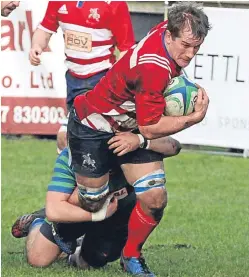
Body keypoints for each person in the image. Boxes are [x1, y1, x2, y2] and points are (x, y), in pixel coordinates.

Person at [67, 2, 211, 276]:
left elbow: (143, 131)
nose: (190, 54)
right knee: (93, 200)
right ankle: (50, 216)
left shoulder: (169, 29)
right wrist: (192, 118)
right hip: (93, 124)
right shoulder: (153, 67)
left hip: (129, 127)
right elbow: (150, 128)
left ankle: (131, 255)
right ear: (169, 35)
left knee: (155, 196)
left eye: (196, 47)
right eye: (186, 46)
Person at [11, 133, 181, 270]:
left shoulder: (127, 145)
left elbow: (174, 146)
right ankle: (37, 222)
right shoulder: (72, 155)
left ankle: (77, 250)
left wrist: (140, 140)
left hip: (117, 213)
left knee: (93, 261)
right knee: (38, 259)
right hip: (82, 210)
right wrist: (98, 214)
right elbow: (55, 210)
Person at [28, 1, 135, 153]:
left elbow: (126, 50)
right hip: (73, 80)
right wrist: (36, 46)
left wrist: (120, 84)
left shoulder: (114, 4)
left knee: (71, 136)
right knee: (75, 139)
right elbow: (44, 29)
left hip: (101, 78)